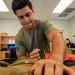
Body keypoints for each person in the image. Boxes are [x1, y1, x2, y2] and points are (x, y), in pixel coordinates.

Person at [11, 0, 66, 75]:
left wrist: (55, 59)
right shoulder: (18, 37)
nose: (26, 20)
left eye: (28, 15)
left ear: (33, 11)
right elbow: (21, 58)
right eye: (21, 17)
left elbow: (57, 37)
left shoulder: (43, 25)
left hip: (49, 62)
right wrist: (29, 58)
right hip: (33, 66)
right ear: (17, 18)